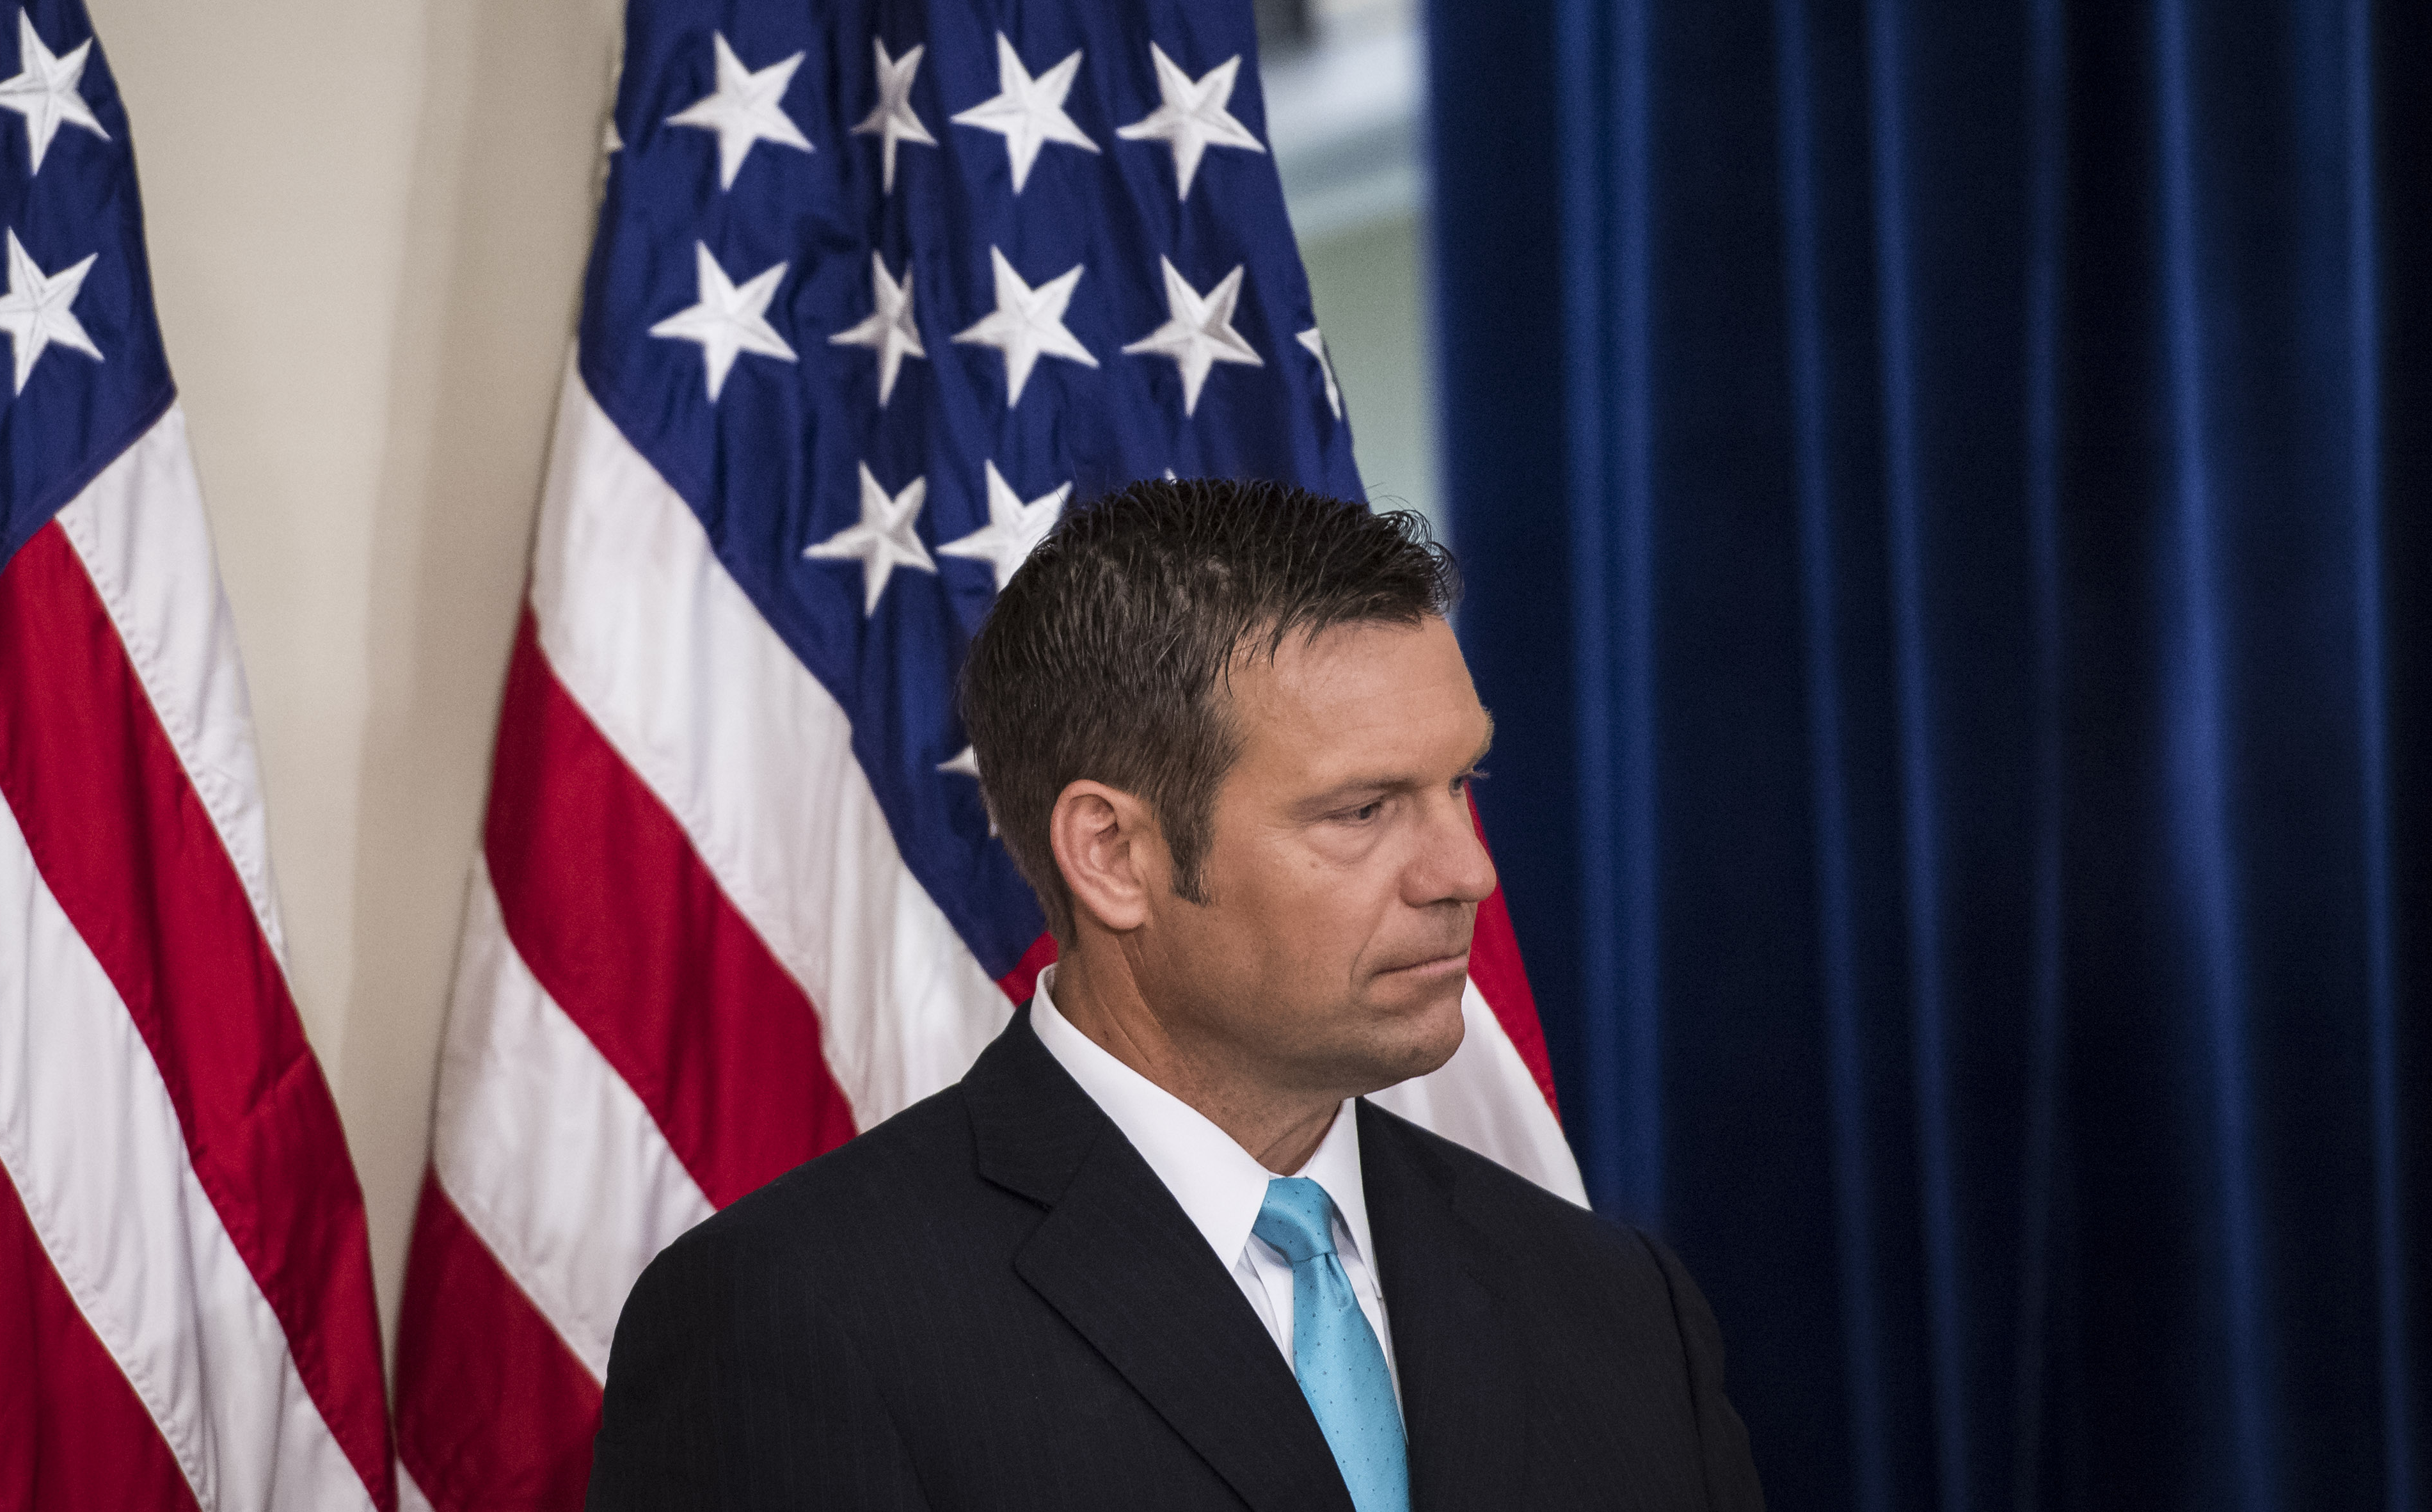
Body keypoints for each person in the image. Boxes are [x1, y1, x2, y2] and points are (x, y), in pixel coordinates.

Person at [587, 480, 1764, 1511]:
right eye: (1363, 810)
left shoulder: (1619, 1305)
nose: (1467, 871)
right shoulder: (795, 1316)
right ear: (1113, 855)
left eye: (1462, 783)